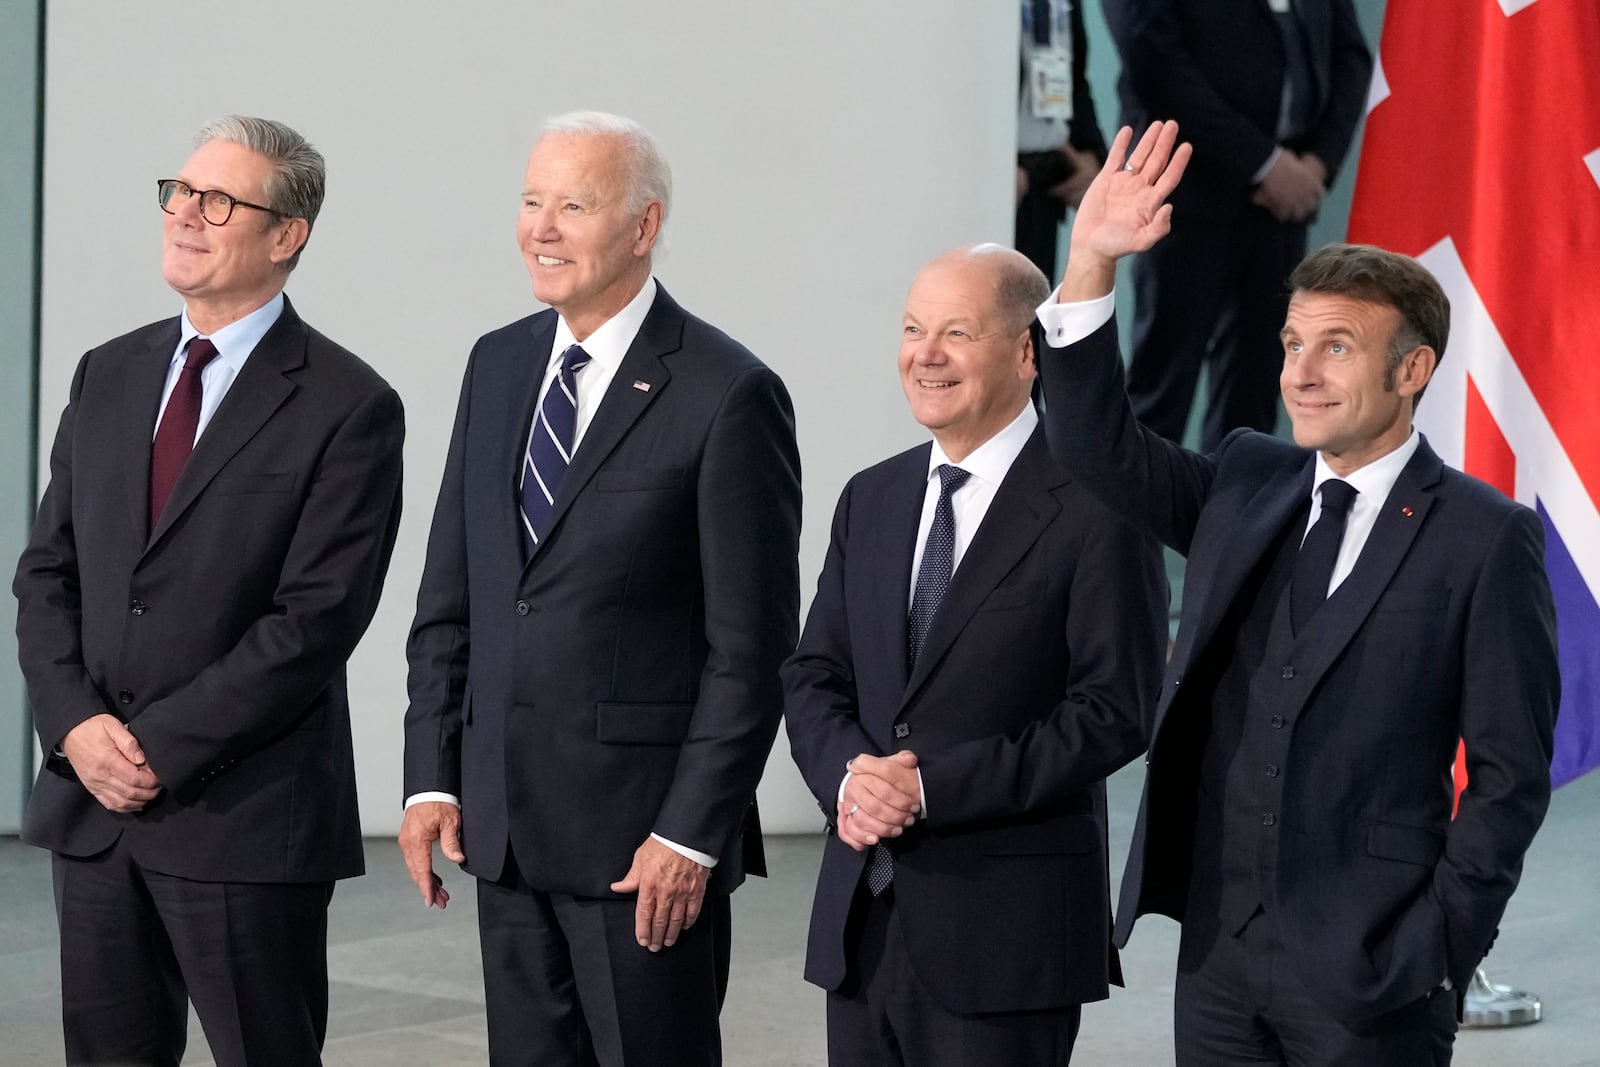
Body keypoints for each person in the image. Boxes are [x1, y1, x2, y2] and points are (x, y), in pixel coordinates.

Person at [1036, 121, 1559, 1065]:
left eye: (1336, 349)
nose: (1299, 374)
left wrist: (1438, 947)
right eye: (1291, 343)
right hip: (1218, 964)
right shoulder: (1247, 477)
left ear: (1412, 371)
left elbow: (1511, 777)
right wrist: (1091, 261)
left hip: (1378, 978)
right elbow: (1093, 445)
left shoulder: (1488, 538)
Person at [399, 111, 801, 1066]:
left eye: (571, 205)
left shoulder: (728, 391)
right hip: (504, 832)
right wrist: (430, 774)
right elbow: (451, 596)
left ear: (642, 223)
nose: (541, 227)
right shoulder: (496, 364)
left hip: (642, 851)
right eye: (532, 200)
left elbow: (751, 652)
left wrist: (691, 836)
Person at [13, 115, 405, 1066]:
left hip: (245, 820)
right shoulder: (107, 373)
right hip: (95, 811)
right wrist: (74, 727)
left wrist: (152, 746)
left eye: (218, 200)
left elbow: (314, 623)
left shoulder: (349, 405)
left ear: (286, 236)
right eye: (180, 192)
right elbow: (47, 573)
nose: (186, 215)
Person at [784, 243, 1167, 1064]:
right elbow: (815, 672)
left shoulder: (1097, 503)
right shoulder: (872, 496)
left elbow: (1115, 710)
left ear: (1028, 351)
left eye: (955, 332)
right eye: (914, 328)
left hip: (1009, 938)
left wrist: (929, 788)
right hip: (863, 921)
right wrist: (854, 775)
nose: (925, 354)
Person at [1101, 0, 1371, 449]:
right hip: (1185, 199)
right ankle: (1138, 521)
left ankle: (1235, 516)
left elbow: (1350, 54)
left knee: (1256, 395)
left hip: (1282, 205)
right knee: (1160, 392)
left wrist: (1315, 166)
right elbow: (1153, 57)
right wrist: (1263, 163)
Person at [1015, 0, 1108, 278]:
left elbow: (1071, 75)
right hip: (981, 190)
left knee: (1032, 316)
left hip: (1045, 191)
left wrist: (1092, 154)